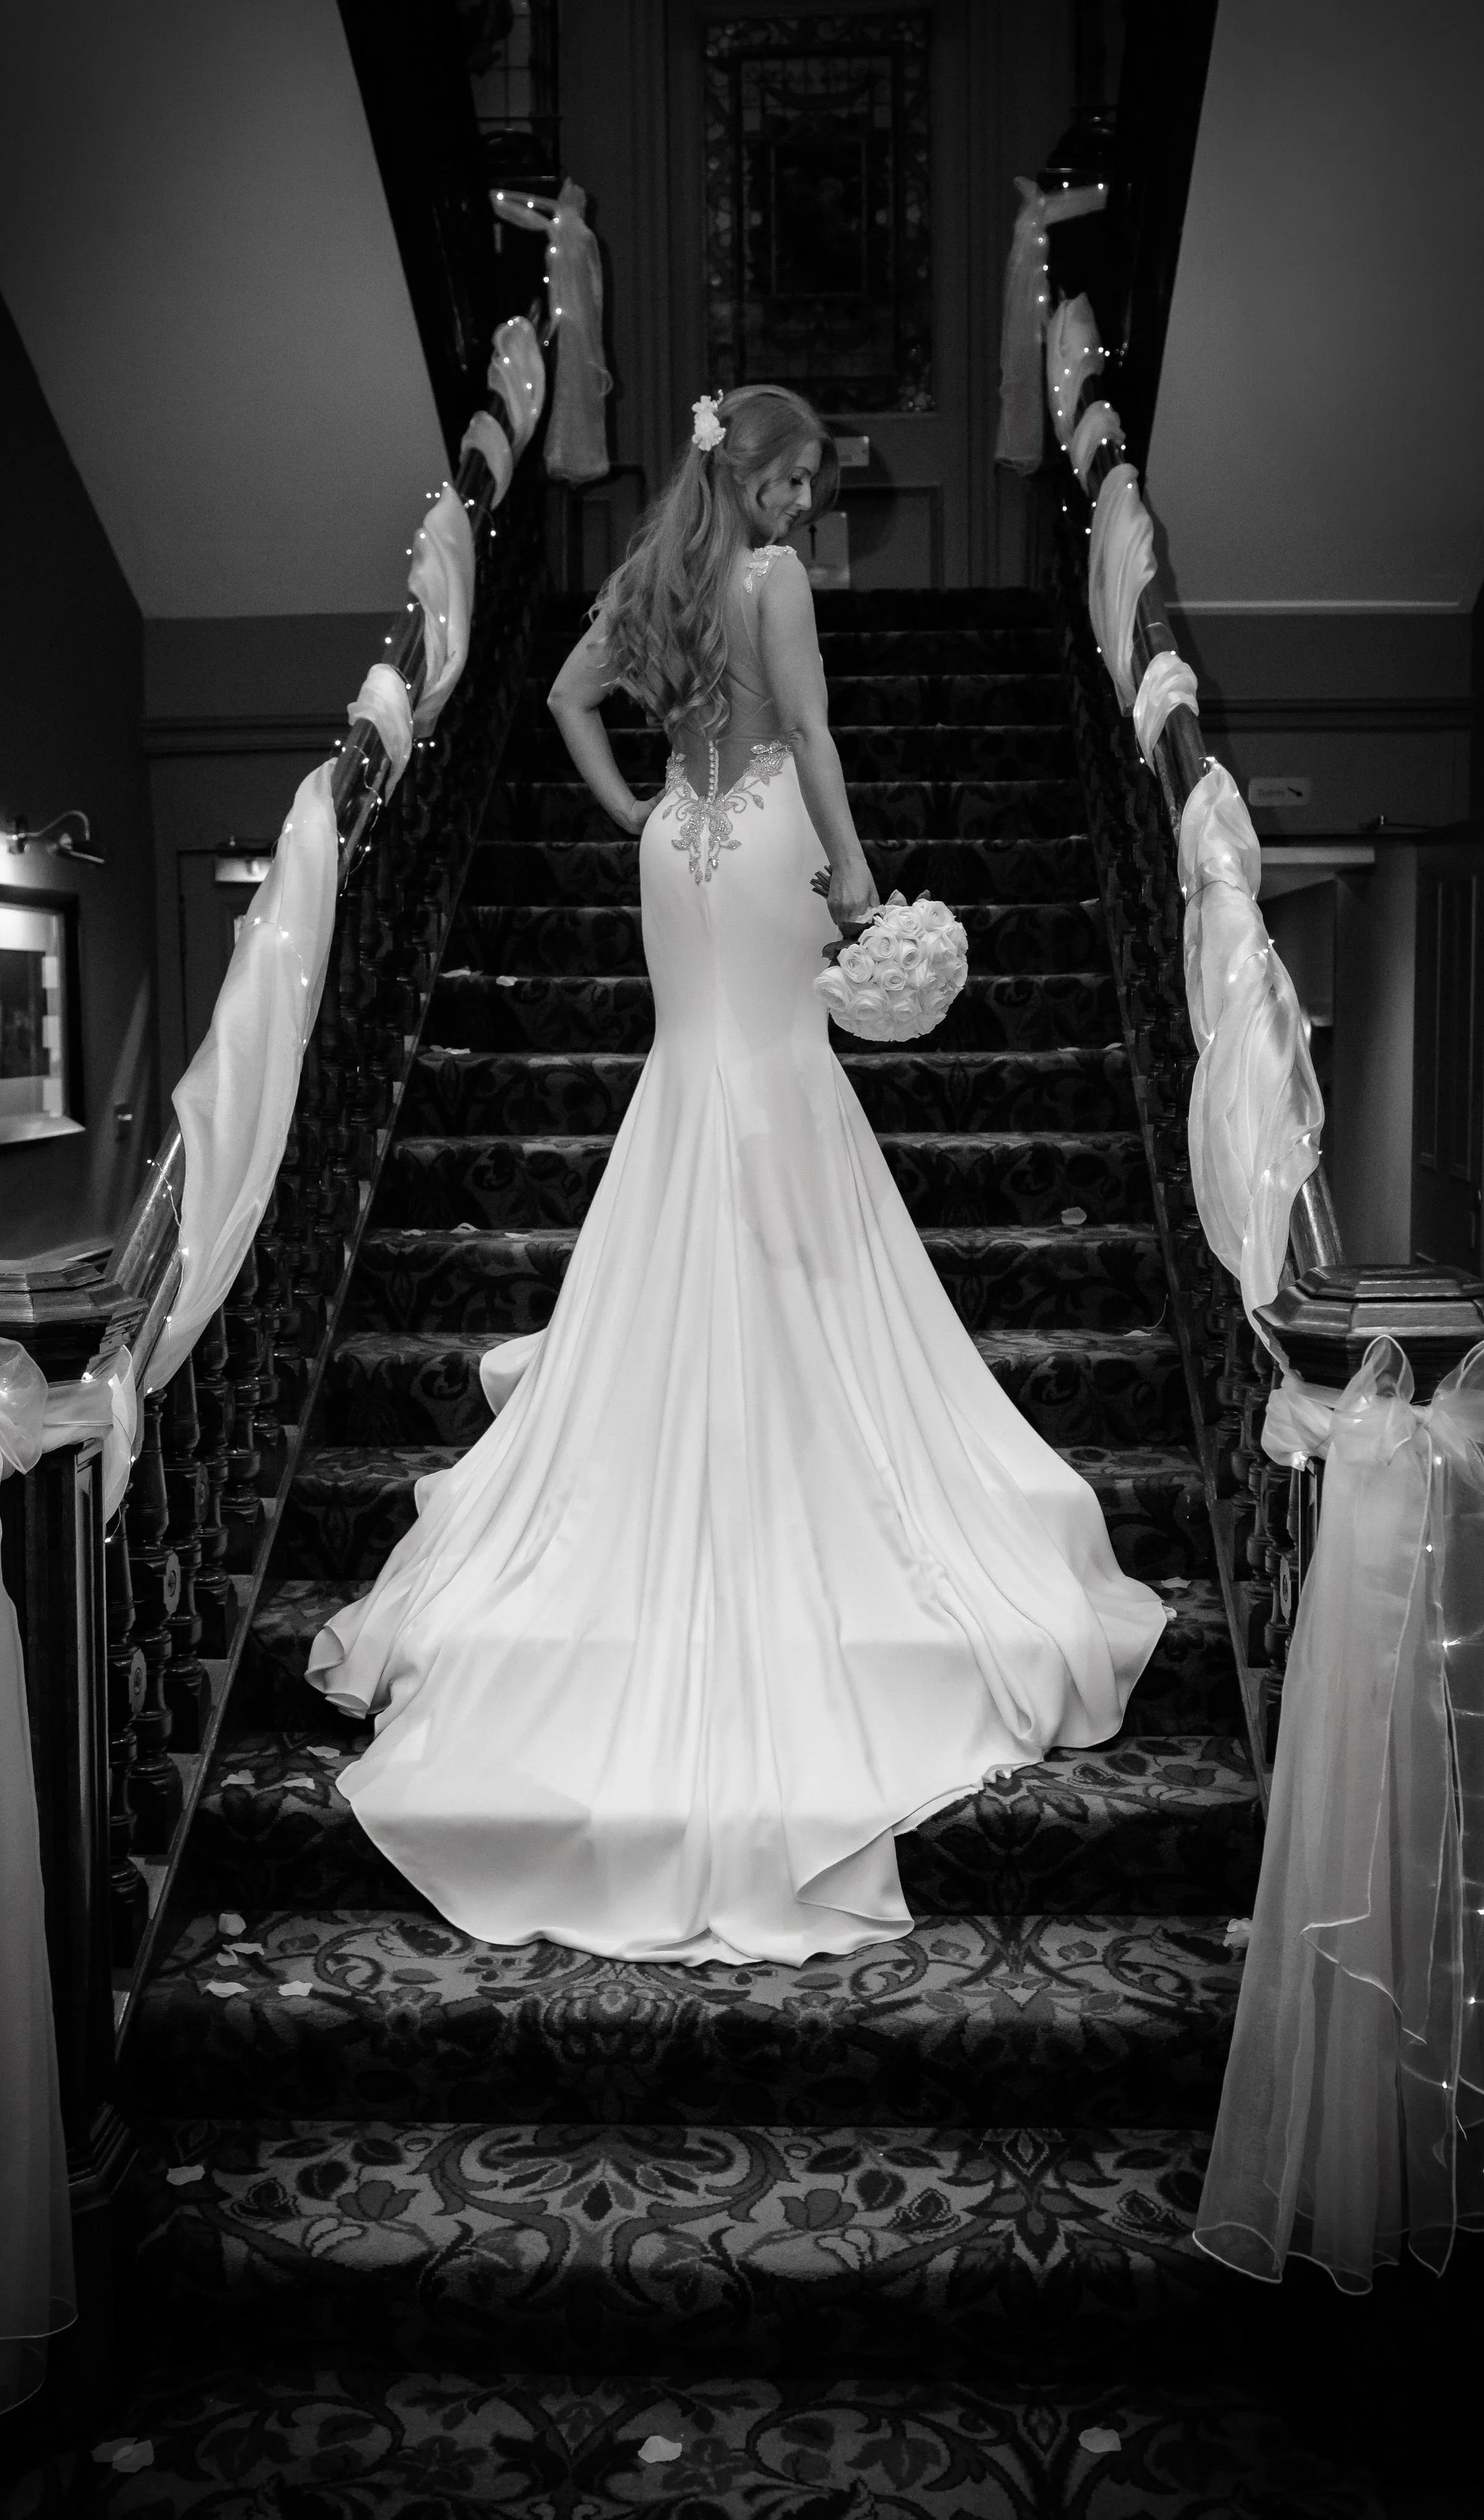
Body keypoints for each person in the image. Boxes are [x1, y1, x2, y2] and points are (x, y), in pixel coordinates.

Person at [307, 381, 1165, 1966]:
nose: (806, 507)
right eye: (798, 480)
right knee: (775, 1080)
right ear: (759, 476)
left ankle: (708, 1333)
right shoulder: (768, 584)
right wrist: (852, 884)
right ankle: (779, 1332)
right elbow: (817, 735)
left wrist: (641, 807)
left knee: (700, 1077)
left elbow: (565, 700)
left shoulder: (648, 583)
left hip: (675, 856)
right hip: (762, 843)